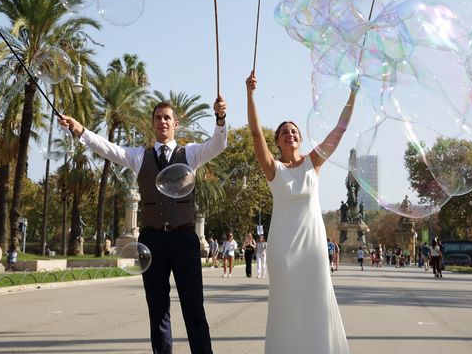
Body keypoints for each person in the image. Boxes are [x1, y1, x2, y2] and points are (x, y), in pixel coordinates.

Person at [59, 97, 227, 354]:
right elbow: (108, 149)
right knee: (157, 310)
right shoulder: (140, 156)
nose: (162, 122)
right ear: (153, 123)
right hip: (153, 241)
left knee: (194, 307)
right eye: (158, 117)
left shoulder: (190, 153)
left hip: (184, 240)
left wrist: (220, 119)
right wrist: (79, 129)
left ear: (176, 124)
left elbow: (217, 145)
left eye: (167, 118)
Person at [246, 70, 355, 354]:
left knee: (317, 304)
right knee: (286, 308)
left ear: (300, 139)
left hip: (313, 249)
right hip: (282, 250)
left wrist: (352, 95)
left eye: (294, 131)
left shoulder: (313, 163)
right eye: (284, 132)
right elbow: (256, 133)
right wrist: (250, 94)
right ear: (278, 142)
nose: (290, 134)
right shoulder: (273, 169)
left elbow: (339, 130)